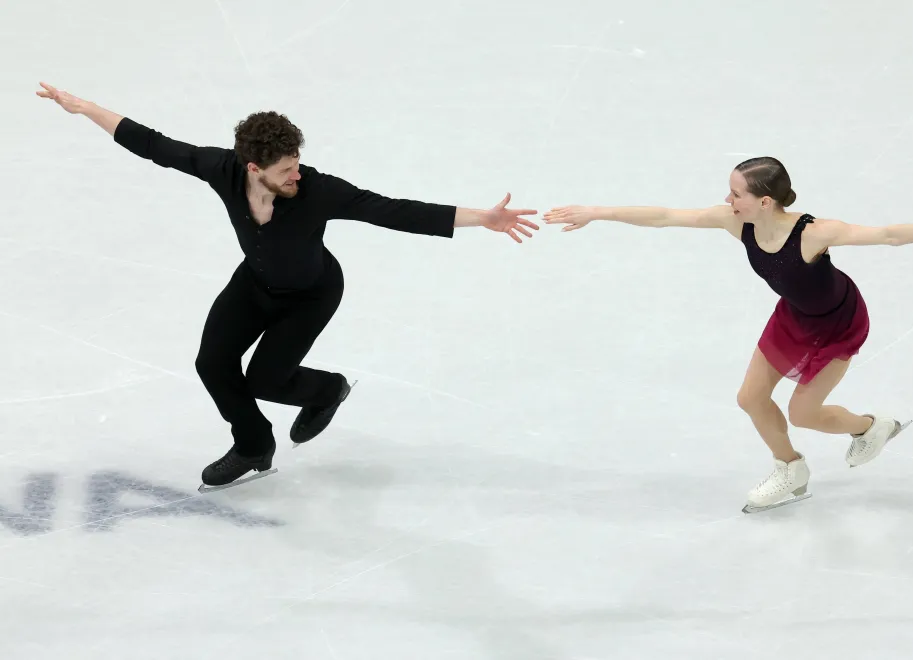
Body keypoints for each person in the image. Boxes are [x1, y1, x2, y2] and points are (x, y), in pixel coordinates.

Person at [37, 81, 540, 490]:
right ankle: (253, 444)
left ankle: (328, 390)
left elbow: (392, 210)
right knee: (212, 362)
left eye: (297, 162)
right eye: (285, 169)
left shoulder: (319, 191)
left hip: (311, 294)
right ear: (253, 168)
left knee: (265, 379)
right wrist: (84, 108)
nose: (296, 173)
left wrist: (483, 219)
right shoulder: (223, 170)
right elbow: (155, 146)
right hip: (255, 284)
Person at [543, 156, 913, 512]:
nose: (727, 201)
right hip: (793, 318)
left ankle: (871, 427)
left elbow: (886, 234)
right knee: (750, 398)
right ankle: (791, 469)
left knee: (804, 412)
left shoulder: (814, 233)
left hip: (838, 323)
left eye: (735, 194)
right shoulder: (736, 222)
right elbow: (665, 215)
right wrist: (596, 212)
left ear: (766, 201)